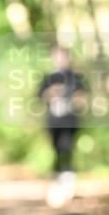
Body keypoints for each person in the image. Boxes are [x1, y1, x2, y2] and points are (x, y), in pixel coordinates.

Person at [37, 45, 87, 205]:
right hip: (53, 122)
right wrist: (51, 93)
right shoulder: (48, 78)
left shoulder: (76, 77)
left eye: (62, 57)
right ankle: (57, 185)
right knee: (57, 151)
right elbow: (40, 96)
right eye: (57, 57)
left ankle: (68, 186)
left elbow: (83, 97)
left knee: (68, 149)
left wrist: (74, 98)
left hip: (70, 121)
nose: (60, 60)